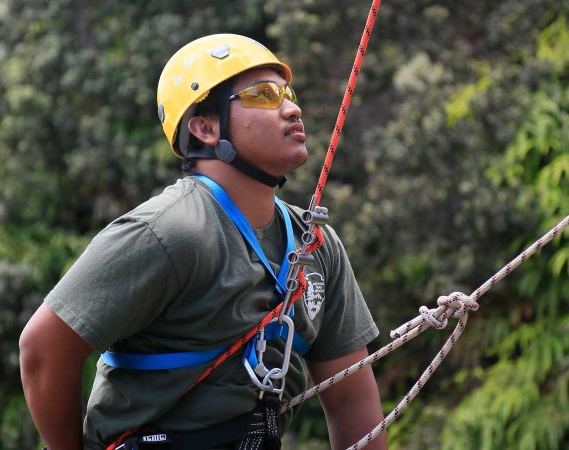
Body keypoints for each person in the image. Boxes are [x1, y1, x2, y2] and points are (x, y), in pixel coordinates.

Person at [19, 34, 386, 450]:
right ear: (206, 127)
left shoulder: (315, 245)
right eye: (263, 95)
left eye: (288, 93)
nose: (292, 108)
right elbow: (43, 349)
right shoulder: (169, 232)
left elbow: (350, 401)